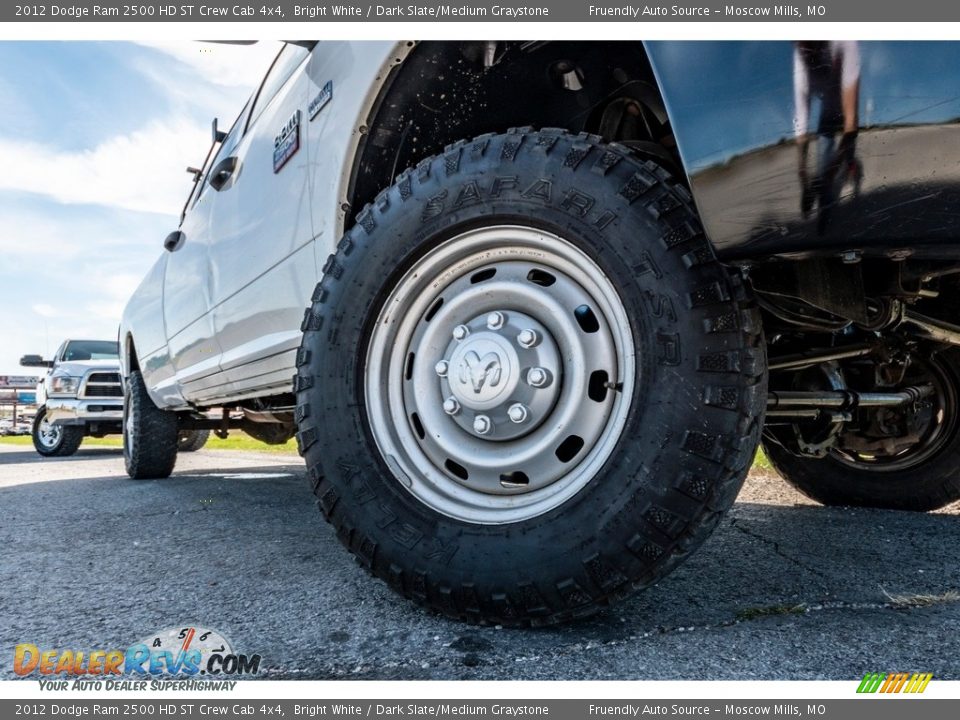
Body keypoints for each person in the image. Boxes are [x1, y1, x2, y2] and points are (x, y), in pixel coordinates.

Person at [793, 41, 862, 233]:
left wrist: (828, 175)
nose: (806, 53)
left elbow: (850, 122)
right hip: (827, 114)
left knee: (844, 158)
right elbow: (801, 123)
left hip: (846, 108)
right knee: (824, 168)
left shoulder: (845, 41)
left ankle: (851, 169)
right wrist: (804, 180)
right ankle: (824, 225)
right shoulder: (800, 56)